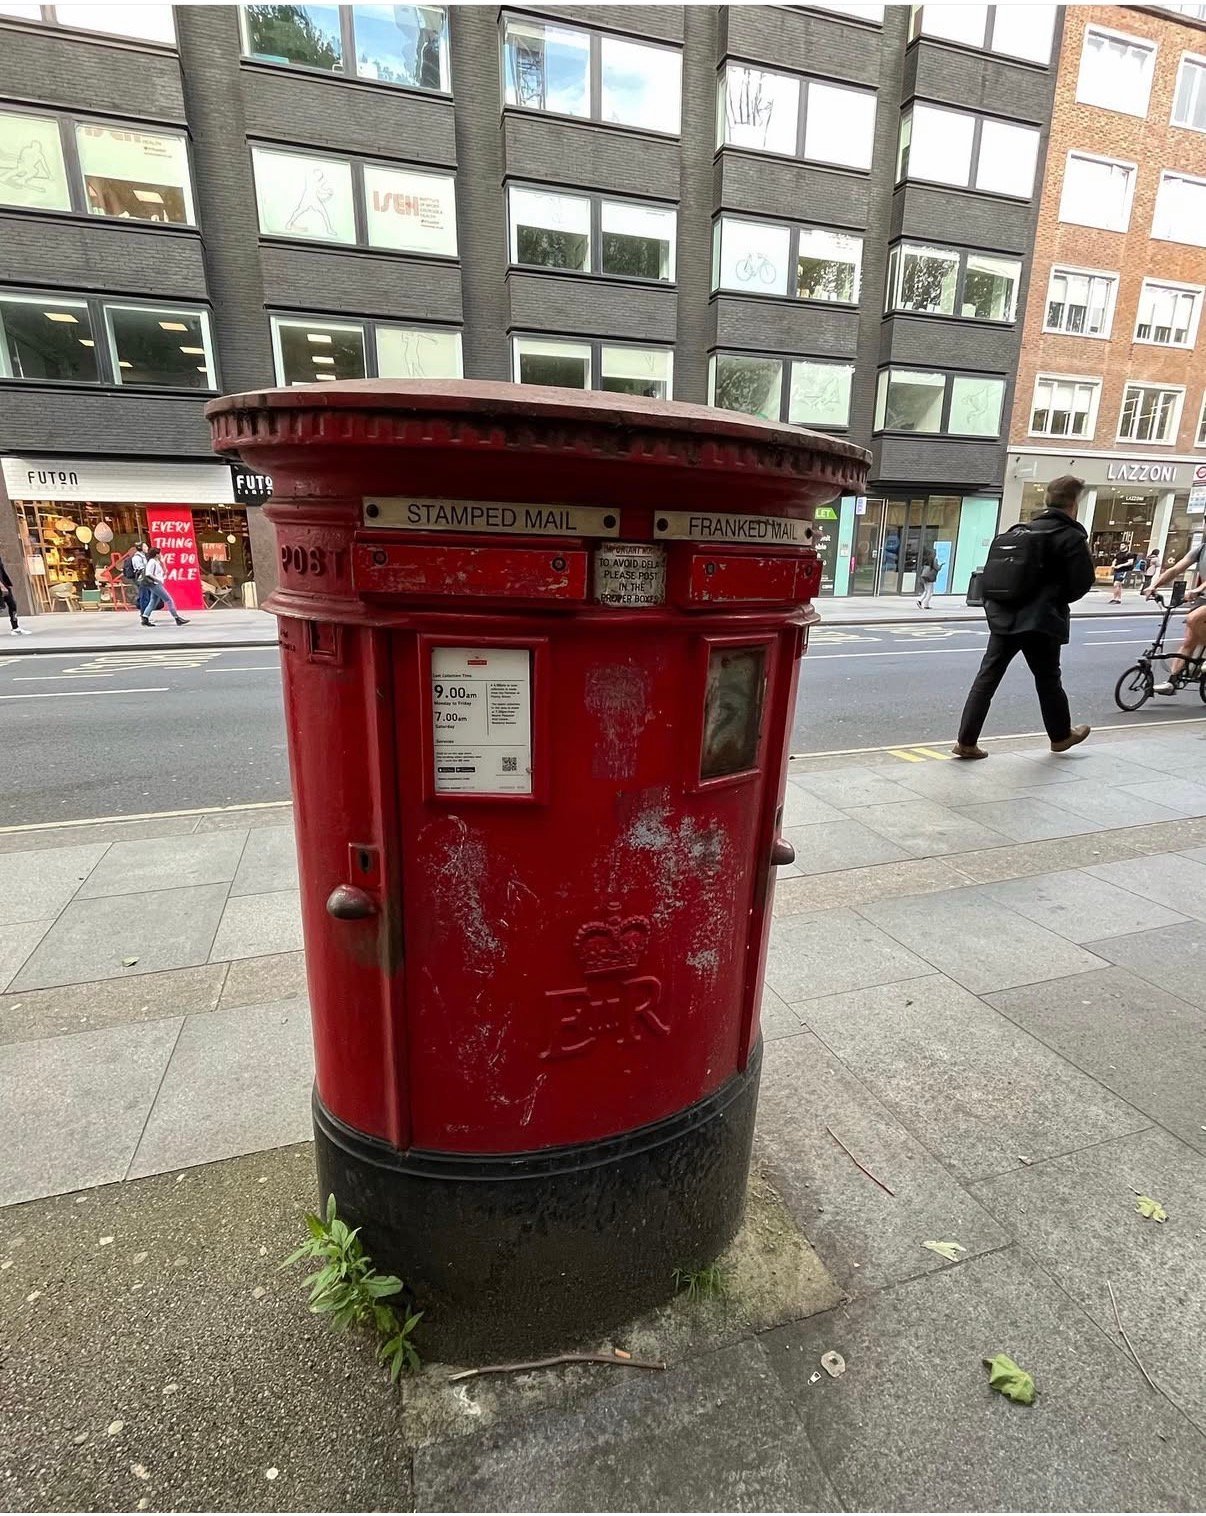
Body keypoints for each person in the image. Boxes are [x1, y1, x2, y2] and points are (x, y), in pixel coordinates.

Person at [952, 474, 1095, 759]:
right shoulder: (1070, 537)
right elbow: (1082, 582)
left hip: (1005, 617)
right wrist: (1055, 598)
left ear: (1047, 500)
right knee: (1048, 678)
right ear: (1073, 505)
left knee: (987, 677)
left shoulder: (1020, 531)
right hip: (1041, 620)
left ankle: (966, 742)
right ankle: (1060, 736)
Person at [1146, 537, 1206, 695]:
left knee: (1193, 619)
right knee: (1189, 640)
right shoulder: (1201, 549)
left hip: (1202, 595)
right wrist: (1153, 586)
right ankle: (1172, 682)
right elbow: (1175, 569)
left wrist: (1198, 589)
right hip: (1202, 599)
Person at [139, 547, 189, 627]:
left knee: (153, 601)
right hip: (155, 584)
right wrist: (157, 580)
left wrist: (163, 562)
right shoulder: (152, 562)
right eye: (160, 553)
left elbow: (165, 571)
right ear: (156, 554)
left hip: (156, 583)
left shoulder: (156, 561)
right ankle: (177, 618)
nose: (161, 555)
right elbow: (148, 573)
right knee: (168, 600)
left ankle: (145, 617)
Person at [0, 552, 28, 635]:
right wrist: (1, 586)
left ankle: (15, 627)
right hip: (2, 586)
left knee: (12, 605)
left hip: (4, 584)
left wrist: (6, 583)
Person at [916, 545, 942, 610]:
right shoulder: (934, 560)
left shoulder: (927, 560)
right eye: (935, 552)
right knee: (930, 592)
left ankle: (920, 601)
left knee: (926, 590)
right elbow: (936, 568)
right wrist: (940, 566)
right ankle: (925, 603)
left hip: (925, 576)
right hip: (930, 578)